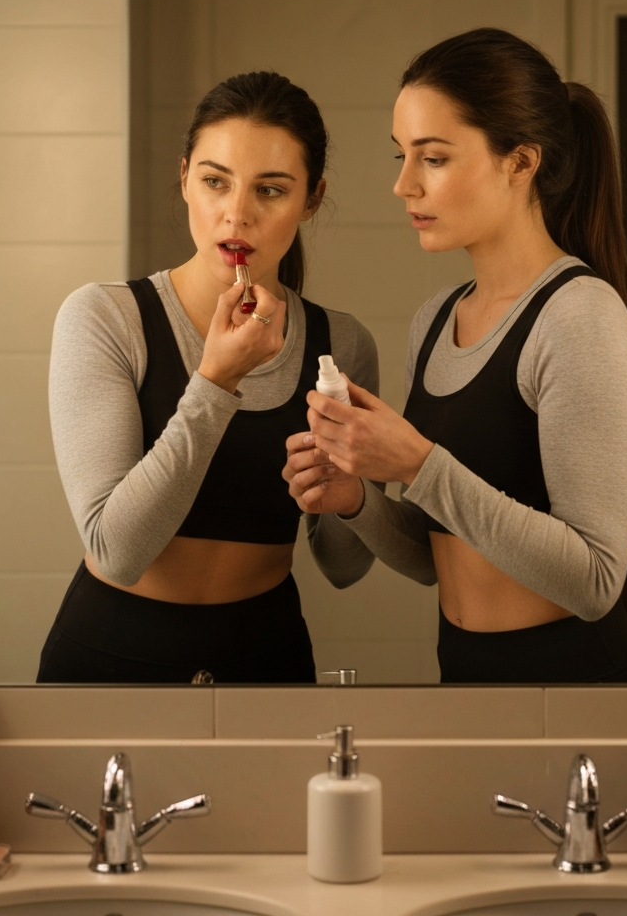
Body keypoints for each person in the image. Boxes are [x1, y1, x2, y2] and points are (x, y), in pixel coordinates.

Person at [284, 28, 627, 684]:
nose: (403, 185)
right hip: (467, 678)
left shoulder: (579, 317)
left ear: (521, 162)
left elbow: (595, 580)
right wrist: (355, 500)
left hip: (578, 686)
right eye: (402, 155)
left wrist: (417, 462)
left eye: (432, 158)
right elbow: (437, 556)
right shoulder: (436, 321)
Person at [38, 71, 378, 684]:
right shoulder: (105, 318)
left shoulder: (342, 344)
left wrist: (351, 497)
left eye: (270, 190)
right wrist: (216, 381)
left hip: (267, 660)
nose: (236, 214)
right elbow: (117, 551)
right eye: (215, 181)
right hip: (111, 656)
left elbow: (344, 567)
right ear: (185, 178)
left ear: (312, 199)